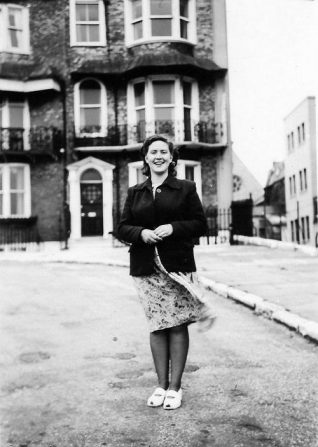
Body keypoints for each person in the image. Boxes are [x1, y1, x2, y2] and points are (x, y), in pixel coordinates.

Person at [117, 134, 214, 410]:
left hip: (177, 267)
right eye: (153, 152)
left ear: (172, 158)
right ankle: (160, 385)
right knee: (158, 326)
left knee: (177, 324)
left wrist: (173, 228)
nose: (158, 156)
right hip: (146, 268)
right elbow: (123, 228)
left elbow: (200, 224)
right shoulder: (135, 192)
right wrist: (142, 233)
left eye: (163, 152)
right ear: (145, 158)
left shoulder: (185, 188)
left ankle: (175, 387)